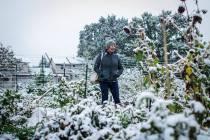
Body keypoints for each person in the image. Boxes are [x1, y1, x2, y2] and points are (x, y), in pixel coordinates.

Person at [94, 39, 124, 106]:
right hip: (103, 81)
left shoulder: (116, 57)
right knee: (105, 100)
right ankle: (104, 113)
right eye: (111, 45)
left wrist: (117, 74)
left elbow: (121, 68)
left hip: (114, 81)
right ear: (107, 47)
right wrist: (101, 74)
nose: (113, 47)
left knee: (117, 99)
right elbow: (95, 67)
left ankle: (118, 113)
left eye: (114, 46)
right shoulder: (101, 56)